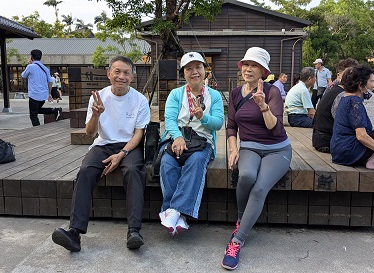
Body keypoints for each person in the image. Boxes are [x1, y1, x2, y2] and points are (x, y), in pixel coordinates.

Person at [51, 56, 150, 252]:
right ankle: (74, 232)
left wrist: (121, 154)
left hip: (129, 146)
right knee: (86, 170)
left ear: (133, 77)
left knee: (133, 170)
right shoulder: (98, 97)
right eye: (117, 72)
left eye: (126, 73)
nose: (121, 76)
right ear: (109, 74)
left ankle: (134, 231)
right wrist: (96, 114)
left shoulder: (140, 100)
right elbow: (89, 133)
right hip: (103, 144)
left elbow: (139, 134)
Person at [222, 47, 292, 270]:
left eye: (254, 65)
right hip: (250, 147)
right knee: (246, 176)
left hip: (277, 149)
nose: (248, 69)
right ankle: (243, 218)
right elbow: (231, 126)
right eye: (246, 64)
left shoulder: (272, 92)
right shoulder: (235, 93)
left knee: (260, 188)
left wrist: (263, 106)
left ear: (263, 71)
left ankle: (237, 240)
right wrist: (233, 150)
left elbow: (276, 129)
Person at [158, 52, 224, 235]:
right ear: (183, 73)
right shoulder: (176, 94)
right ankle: (179, 216)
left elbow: (218, 123)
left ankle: (172, 210)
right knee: (167, 163)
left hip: (203, 141)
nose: (194, 72)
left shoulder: (215, 96)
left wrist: (203, 117)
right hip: (177, 138)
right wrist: (177, 137)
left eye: (198, 67)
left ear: (205, 70)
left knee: (195, 162)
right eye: (189, 68)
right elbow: (169, 119)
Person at [312, 58, 359, 153]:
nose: (353, 77)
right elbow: (344, 123)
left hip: (320, 139)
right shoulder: (341, 94)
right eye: (350, 74)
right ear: (340, 75)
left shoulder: (333, 89)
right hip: (327, 142)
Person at [21, 49, 62, 126]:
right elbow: (50, 82)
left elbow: (23, 75)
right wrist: (49, 93)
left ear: (31, 57)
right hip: (43, 95)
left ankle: (38, 130)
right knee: (37, 110)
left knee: (33, 115)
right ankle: (54, 110)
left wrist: (28, 64)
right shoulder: (45, 68)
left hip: (34, 94)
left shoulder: (30, 66)